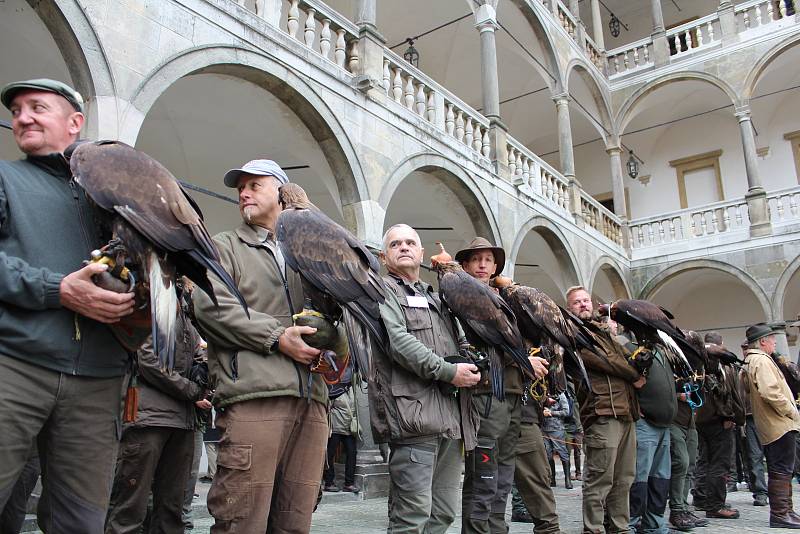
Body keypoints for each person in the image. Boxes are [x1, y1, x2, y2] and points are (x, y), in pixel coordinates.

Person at [0, 78, 135, 531]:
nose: (23, 117)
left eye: (38, 107)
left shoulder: (112, 196)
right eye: (17, 110)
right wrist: (58, 289)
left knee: (81, 521)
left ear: (75, 123)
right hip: (16, 365)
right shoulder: (6, 178)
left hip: (98, 380)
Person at [193, 159, 332, 533]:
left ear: (282, 192)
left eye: (255, 185)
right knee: (242, 520)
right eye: (241, 188)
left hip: (313, 400)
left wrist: (334, 346)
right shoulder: (224, 246)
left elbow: (337, 314)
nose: (244, 193)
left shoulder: (307, 250)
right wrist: (276, 336)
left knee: (294, 521)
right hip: (254, 398)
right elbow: (210, 304)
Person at [367, 223, 480, 533]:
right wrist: (449, 372)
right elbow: (398, 342)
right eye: (395, 244)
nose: (404, 247)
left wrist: (471, 365)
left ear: (421, 252)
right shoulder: (381, 291)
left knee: (442, 514)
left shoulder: (436, 298)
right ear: (383, 256)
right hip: (412, 418)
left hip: (449, 419)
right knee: (412, 515)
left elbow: (462, 340)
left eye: (410, 243)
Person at [456, 237, 547, 534]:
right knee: (482, 476)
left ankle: (497, 529)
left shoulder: (506, 300)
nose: (483, 265)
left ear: (496, 267)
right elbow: (471, 348)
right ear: (466, 266)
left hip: (513, 397)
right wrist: (522, 361)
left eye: (488, 260)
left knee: (504, 476)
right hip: (484, 395)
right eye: (476, 259)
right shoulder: (459, 298)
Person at [105, 307, 207, 534]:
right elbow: (147, 358)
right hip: (148, 418)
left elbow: (194, 354)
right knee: (130, 508)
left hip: (181, 420)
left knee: (172, 510)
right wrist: (191, 389)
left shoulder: (183, 306)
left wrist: (202, 369)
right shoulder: (153, 297)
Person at [567, 286, 645, 534]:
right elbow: (605, 361)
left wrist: (639, 365)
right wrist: (634, 374)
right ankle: (594, 529)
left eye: (586, 300)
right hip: (601, 412)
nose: (583, 304)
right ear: (569, 308)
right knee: (599, 479)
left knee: (624, 479)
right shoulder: (572, 333)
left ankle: (620, 528)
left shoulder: (606, 334)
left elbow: (626, 359)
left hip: (626, 412)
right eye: (577, 302)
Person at [743, 323, 800, 529]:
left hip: (775, 423)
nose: (775, 342)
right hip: (778, 423)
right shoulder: (761, 360)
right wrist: (791, 411)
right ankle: (780, 514)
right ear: (763, 342)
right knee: (781, 469)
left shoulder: (755, 359)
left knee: (784, 469)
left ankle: (787, 511)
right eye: (772, 339)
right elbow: (770, 392)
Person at [323, 380, 361, 493]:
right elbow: (327, 407)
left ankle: (349, 483)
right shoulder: (333, 390)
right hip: (336, 427)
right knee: (330, 454)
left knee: (352, 453)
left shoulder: (352, 389)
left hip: (349, 428)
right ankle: (329, 482)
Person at [541, 393, 573, 489]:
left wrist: (551, 412)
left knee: (562, 453)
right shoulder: (541, 391)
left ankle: (568, 479)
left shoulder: (560, 394)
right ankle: (552, 479)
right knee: (548, 455)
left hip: (557, 428)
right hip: (544, 429)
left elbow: (566, 411)